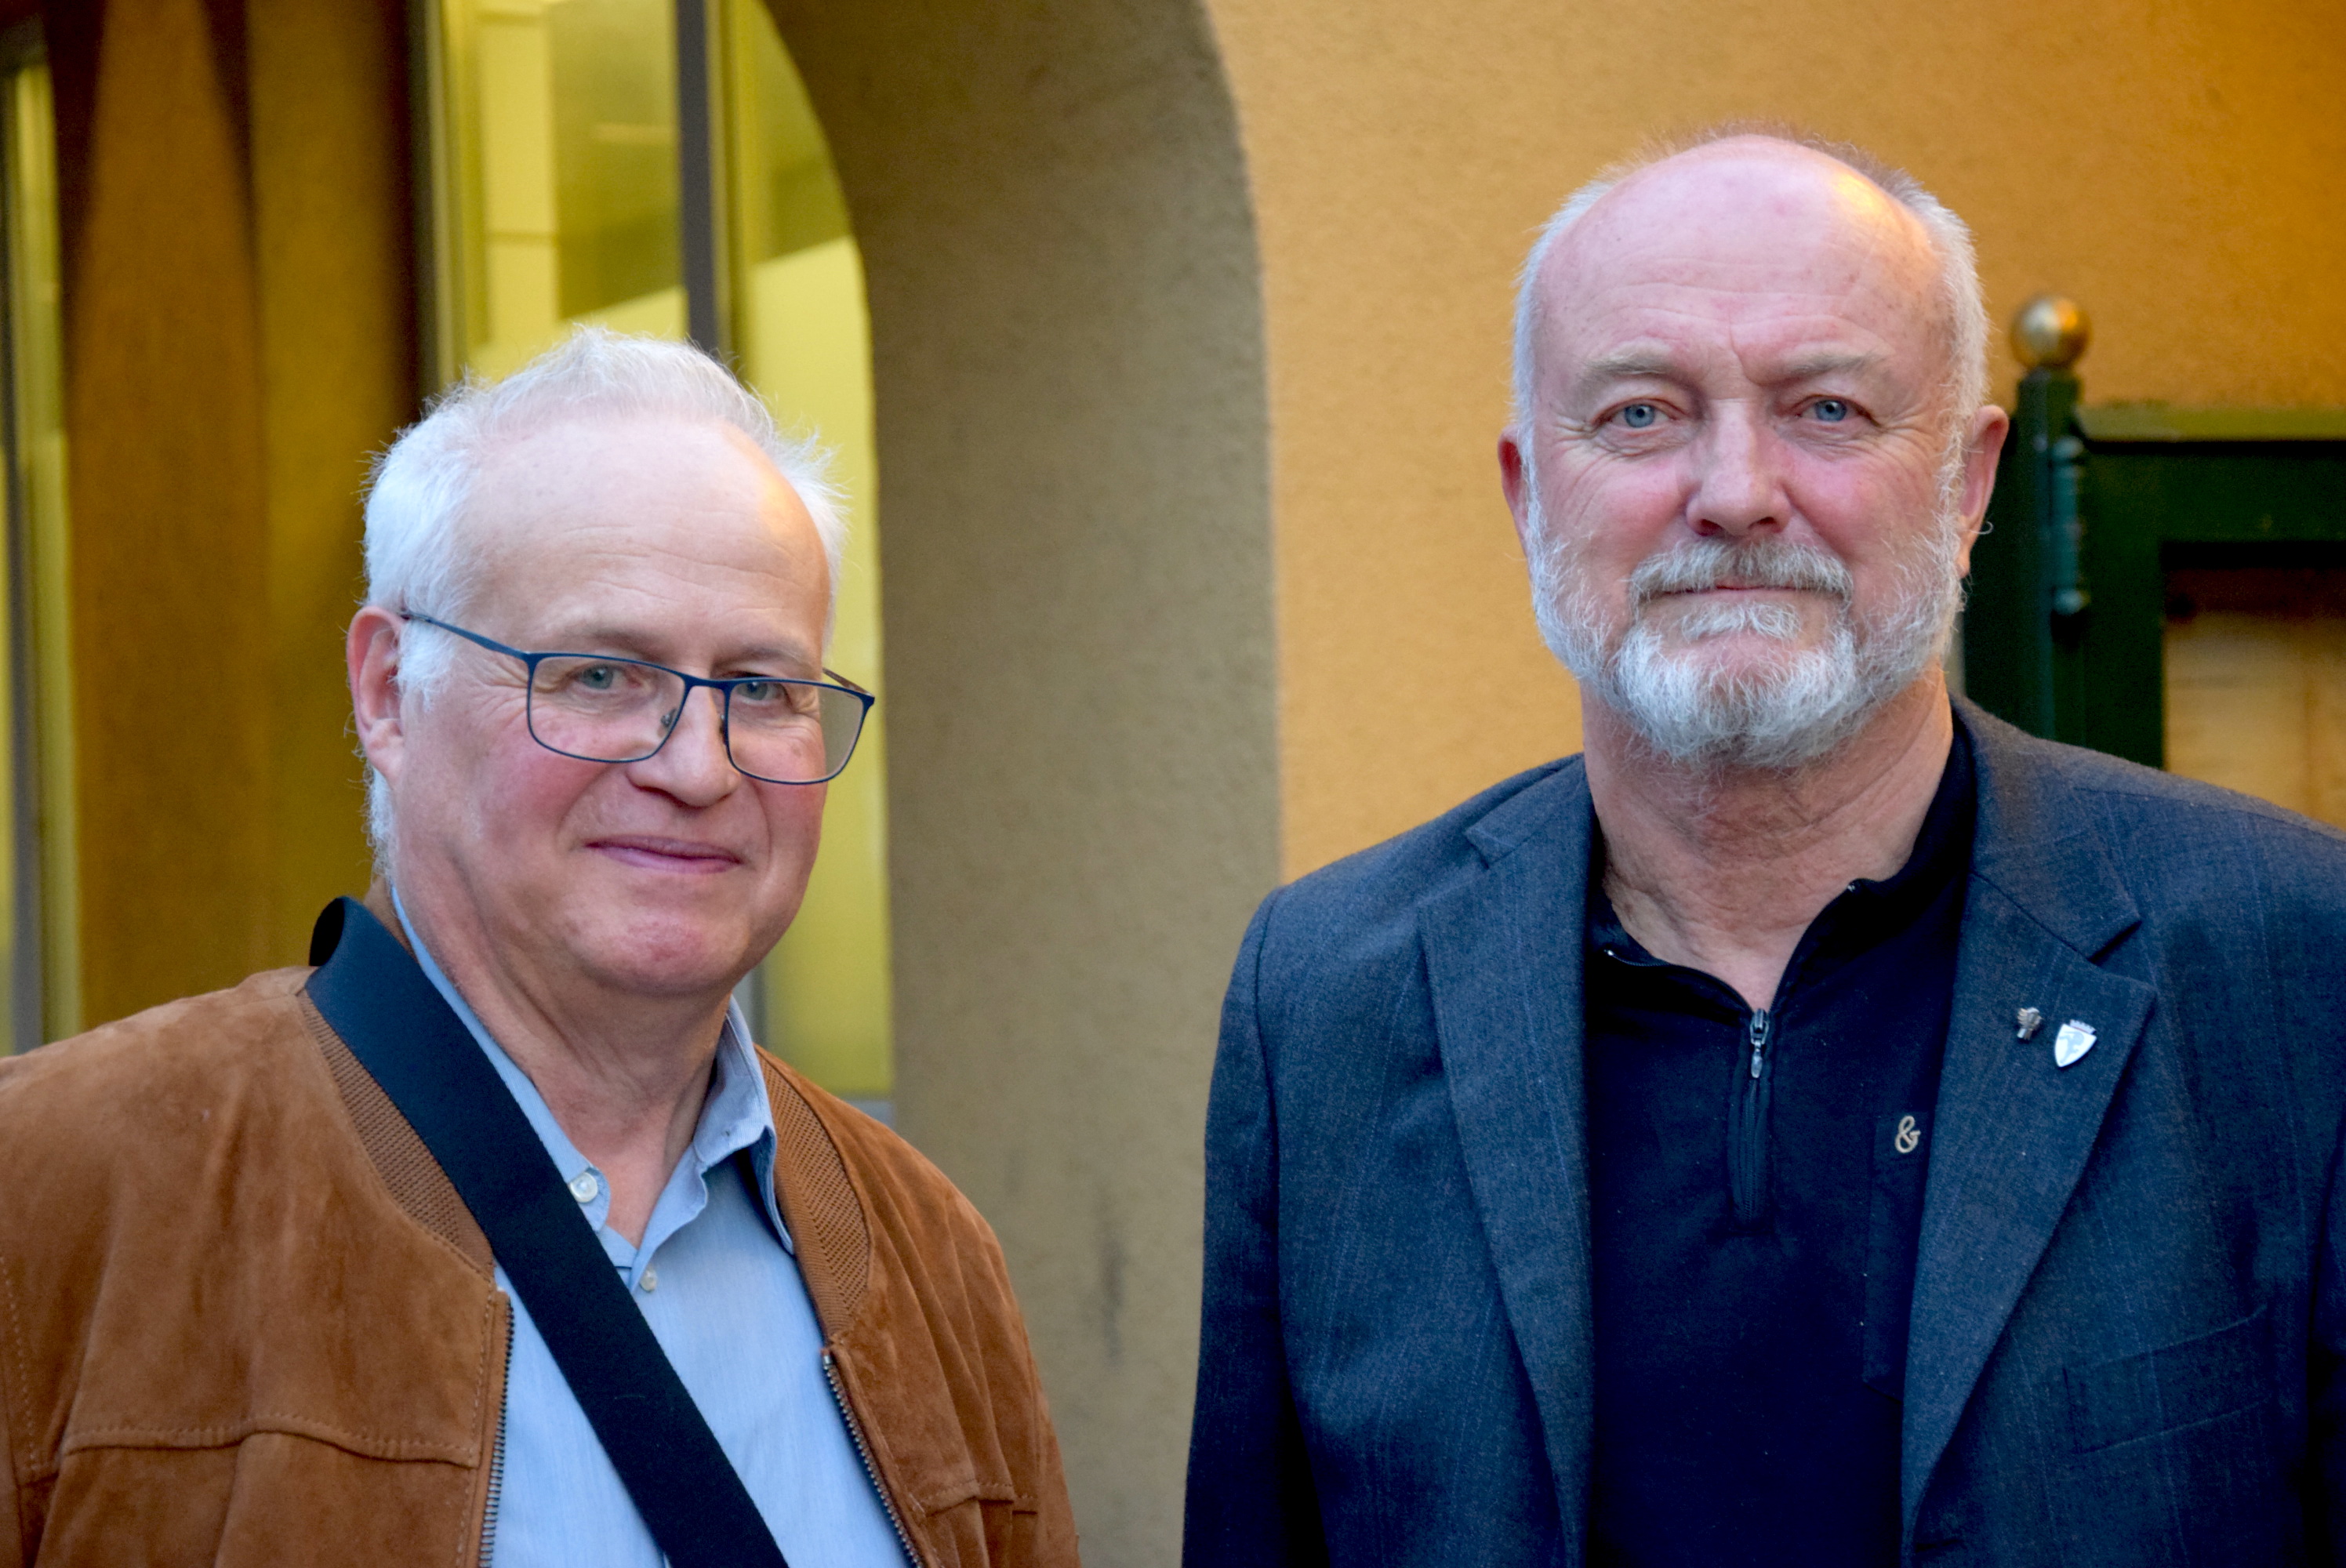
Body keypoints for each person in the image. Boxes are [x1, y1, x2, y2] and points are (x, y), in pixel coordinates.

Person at [1183, 128, 2346, 1566]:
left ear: (1968, 484)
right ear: (1527, 492)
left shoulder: (2291, 964)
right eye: (1641, 415)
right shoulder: (1327, 1003)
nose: (1735, 492)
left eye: (1828, 409)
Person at [0, 329, 1077, 1567]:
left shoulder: (927, 1254)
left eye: (761, 688)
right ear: (387, 692)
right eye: (600, 676)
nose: (696, 768)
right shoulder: (57, 1193)